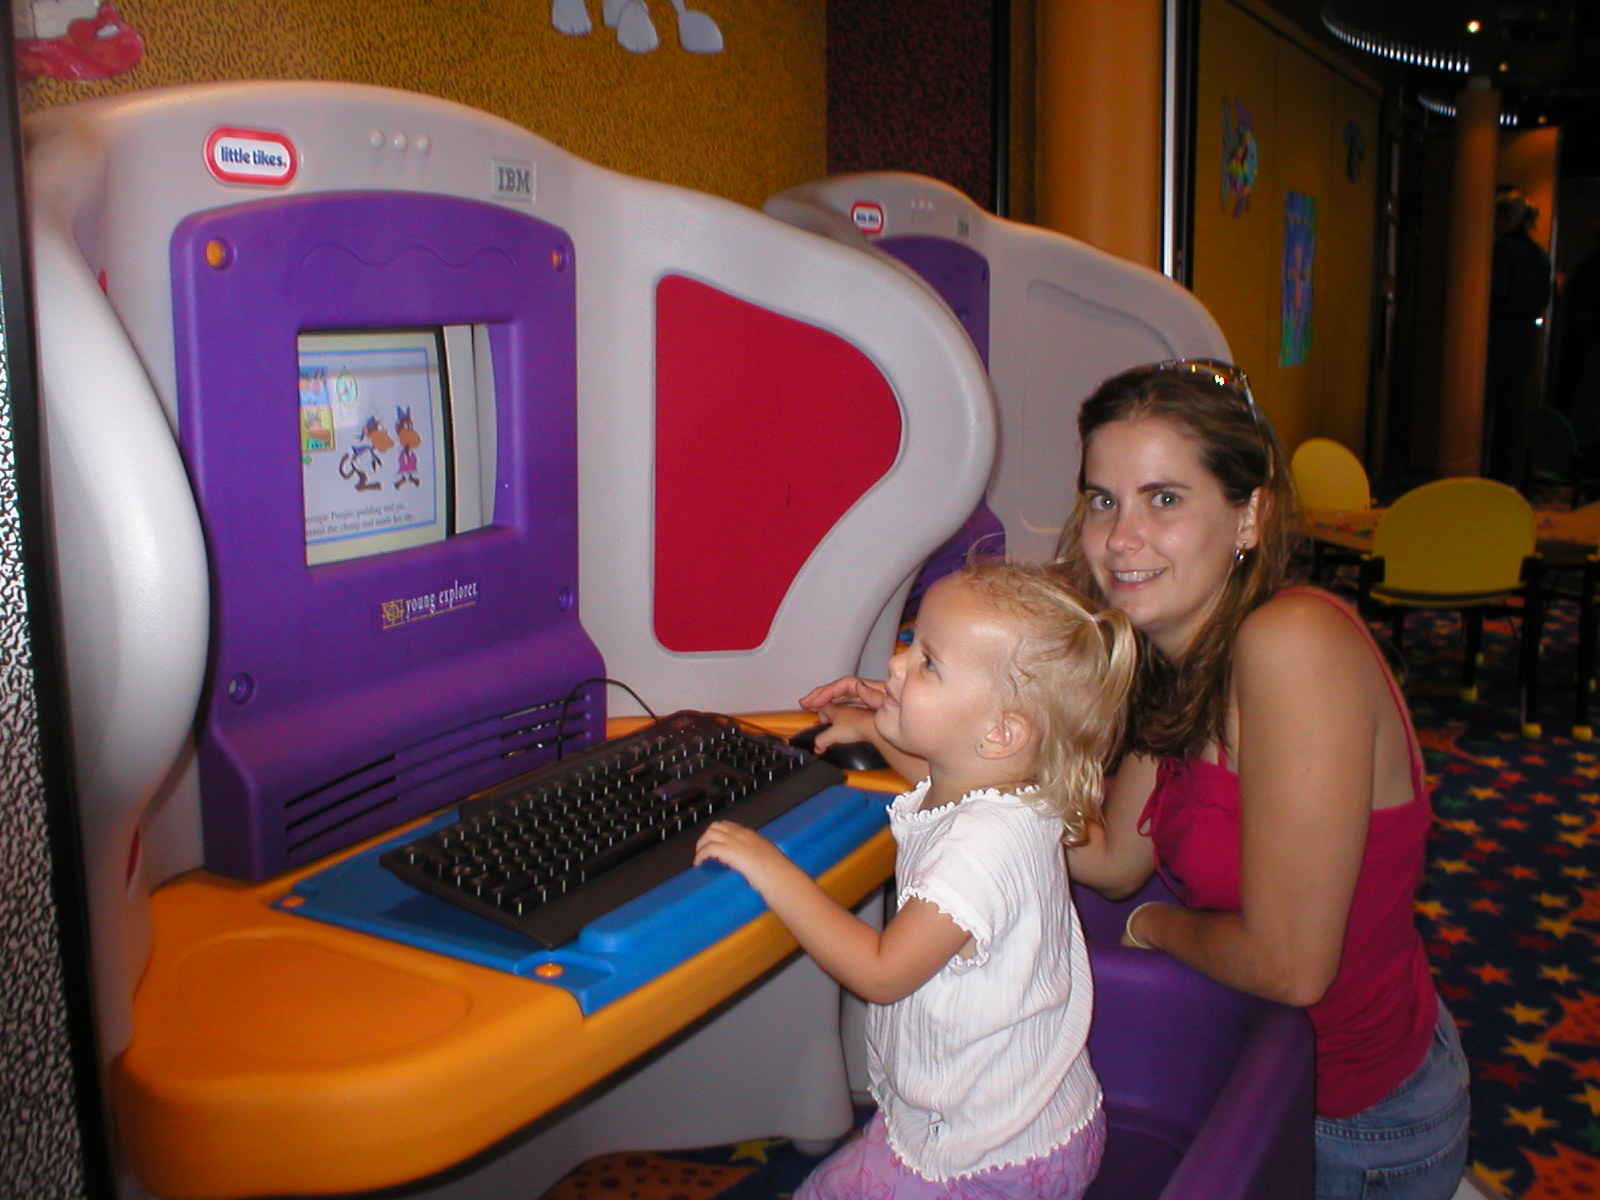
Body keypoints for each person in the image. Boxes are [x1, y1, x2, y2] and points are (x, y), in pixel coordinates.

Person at [803, 360, 1469, 1200]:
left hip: (1362, 1122)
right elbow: (1113, 850)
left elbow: (1292, 964)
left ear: (1249, 514)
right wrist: (916, 737)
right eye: (1103, 500)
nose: (1120, 538)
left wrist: (1155, 927)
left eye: (1165, 499)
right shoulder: (1172, 656)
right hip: (1268, 1065)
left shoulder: (1293, 645)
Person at [696, 560, 1137, 1200]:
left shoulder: (979, 854)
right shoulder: (1013, 788)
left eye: (928, 662)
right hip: (1034, 1117)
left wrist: (771, 869)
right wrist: (875, 727)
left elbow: (881, 971)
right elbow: (941, 782)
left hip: (986, 1156)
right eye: (911, 642)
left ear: (1001, 732)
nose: (897, 664)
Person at [1485, 189, 1553, 484]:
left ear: (1509, 218)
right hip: (1526, 335)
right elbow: (1543, 297)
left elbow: (1495, 292)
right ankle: (1507, 479)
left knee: (1480, 404)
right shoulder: (1540, 255)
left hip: (1499, 332)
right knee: (1513, 411)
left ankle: (1474, 472)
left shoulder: (1501, 250)